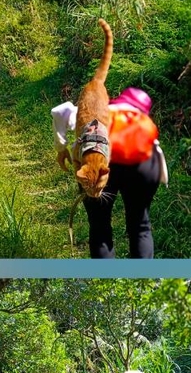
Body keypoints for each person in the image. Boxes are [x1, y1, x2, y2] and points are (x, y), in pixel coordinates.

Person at [53, 87, 168, 258]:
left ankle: (105, 280)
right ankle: (143, 281)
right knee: (140, 225)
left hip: (100, 163)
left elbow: (60, 110)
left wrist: (61, 148)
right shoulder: (140, 120)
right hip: (143, 164)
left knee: (99, 226)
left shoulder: (100, 112)